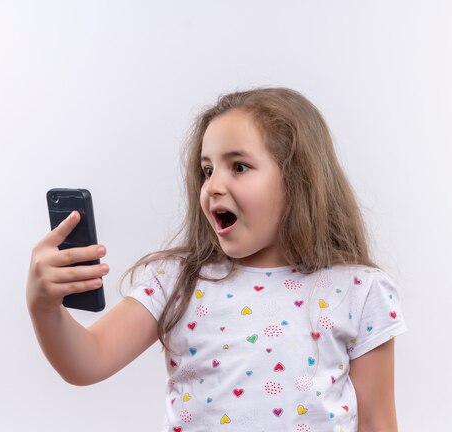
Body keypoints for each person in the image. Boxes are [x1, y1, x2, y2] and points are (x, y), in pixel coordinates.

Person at [26, 87, 408, 432]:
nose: (213, 186)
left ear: (298, 179)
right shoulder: (177, 280)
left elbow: (377, 422)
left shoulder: (358, 290)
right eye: (207, 170)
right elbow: (87, 362)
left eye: (238, 166)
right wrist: (44, 308)